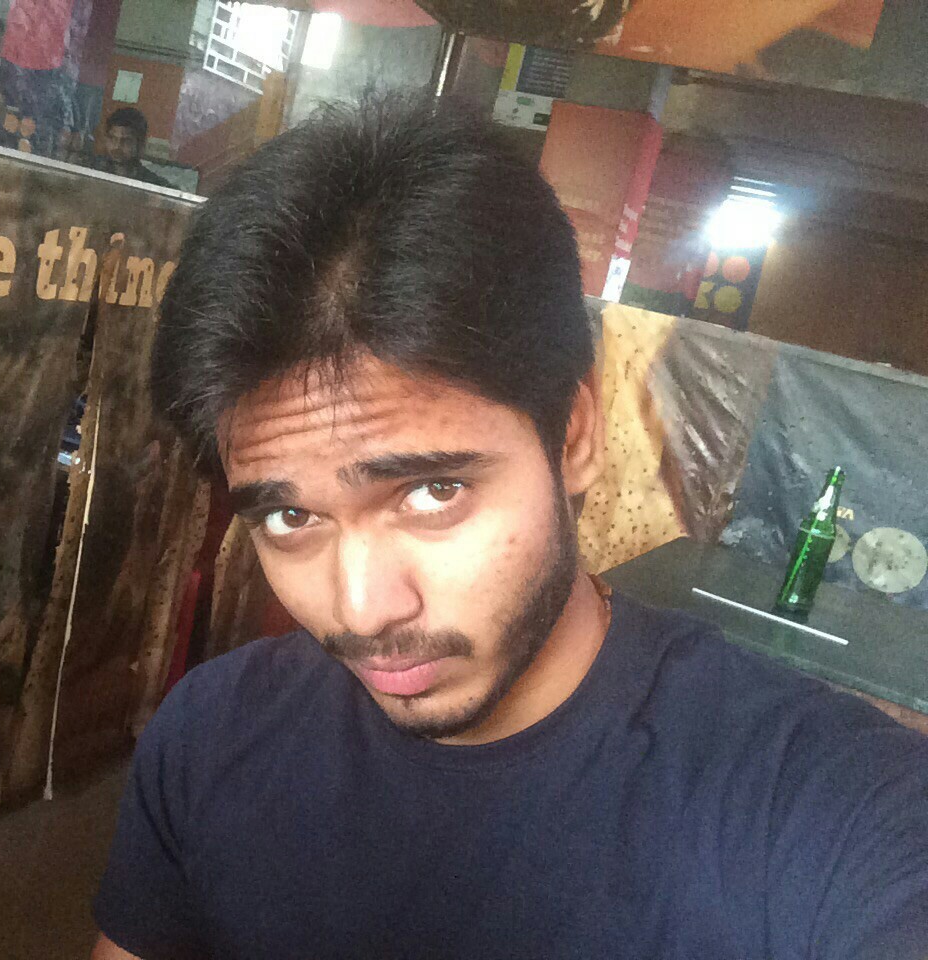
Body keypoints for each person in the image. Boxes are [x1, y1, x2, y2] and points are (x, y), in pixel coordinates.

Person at [91, 95, 928, 960]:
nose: (363, 610)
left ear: (575, 435)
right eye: (290, 515)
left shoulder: (822, 807)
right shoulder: (210, 739)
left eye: (432, 492)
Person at [89, 107, 173, 188]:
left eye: (126, 141)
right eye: (113, 139)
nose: (117, 146)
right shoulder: (90, 170)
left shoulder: (152, 185)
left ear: (140, 144)